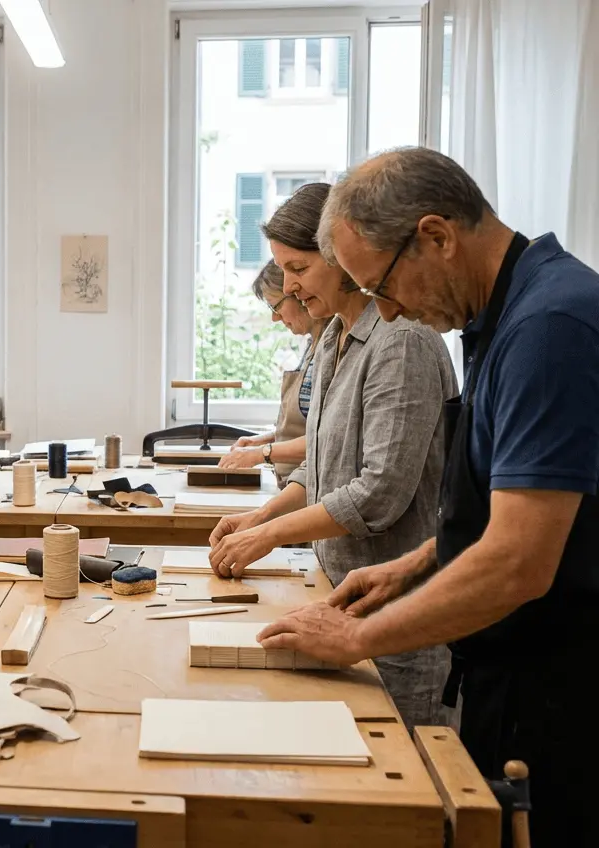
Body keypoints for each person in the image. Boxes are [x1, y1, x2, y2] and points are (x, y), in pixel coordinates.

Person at [258, 147, 599, 845]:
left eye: (381, 285)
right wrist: (415, 563)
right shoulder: (505, 317)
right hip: (512, 670)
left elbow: (519, 561)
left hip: (560, 690)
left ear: (437, 236)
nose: (385, 310)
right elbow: (508, 506)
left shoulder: (549, 329)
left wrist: (356, 638)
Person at [209, 182, 457, 730]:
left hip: (393, 623)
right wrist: (261, 518)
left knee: (393, 767)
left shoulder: (402, 341)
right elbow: (320, 464)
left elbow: (379, 492)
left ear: (341, 254)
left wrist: (270, 536)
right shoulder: (332, 339)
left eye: (297, 268)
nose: (289, 288)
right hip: (335, 601)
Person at [219, 259, 328, 483]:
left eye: (275, 306)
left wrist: (261, 453)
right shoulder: (312, 345)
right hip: (292, 482)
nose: (275, 317)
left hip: (309, 486)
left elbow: (327, 439)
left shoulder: (332, 349)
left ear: (298, 294)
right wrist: (263, 440)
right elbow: (305, 428)